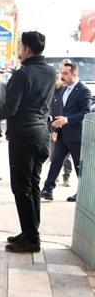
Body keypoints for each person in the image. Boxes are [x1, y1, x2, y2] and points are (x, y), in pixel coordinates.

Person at [0, 31, 56, 253]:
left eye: (21, 47)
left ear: (27, 49)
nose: (20, 51)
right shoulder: (51, 71)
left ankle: (31, 239)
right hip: (41, 135)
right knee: (33, 186)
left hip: (24, 137)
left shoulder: (23, 74)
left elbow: (11, 107)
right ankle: (30, 232)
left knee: (22, 188)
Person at [40, 61, 92, 202]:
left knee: (78, 166)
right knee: (55, 162)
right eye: (61, 72)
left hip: (76, 136)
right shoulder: (63, 89)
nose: (61, 76)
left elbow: (86, 113)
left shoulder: (83, 91)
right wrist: (56, 129)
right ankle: (48, 189)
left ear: (74, 75)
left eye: (65, 73)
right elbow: (61, 112)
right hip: (63, 135)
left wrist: (67, 120)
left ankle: (82, 193)